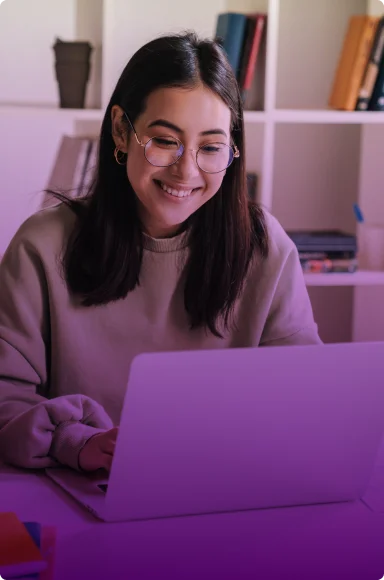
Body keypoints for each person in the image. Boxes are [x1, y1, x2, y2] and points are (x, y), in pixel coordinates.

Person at [0, 31, 321, 474]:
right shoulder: (42, 245)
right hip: (79, 487)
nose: (186, 171)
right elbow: (5, 397)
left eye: (211, 147)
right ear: (120, 130)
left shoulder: (266, 248)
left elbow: (305, 398)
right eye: (165, 140)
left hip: (226, 485)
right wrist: (76, 442)